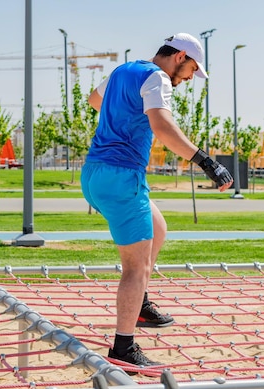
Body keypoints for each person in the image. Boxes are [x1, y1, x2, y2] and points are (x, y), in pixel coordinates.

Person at [81, 33, 233, 368]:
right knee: (135, 267)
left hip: (94, 174)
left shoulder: (123, 71)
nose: (191, 77)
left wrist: (124, 117)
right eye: (193, 69)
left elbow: (95, 99)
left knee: (157, 228)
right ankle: (123, 348)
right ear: (180, 57)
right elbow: (163, 127)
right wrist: (208, 162)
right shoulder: (158, 77)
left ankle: (142, 306)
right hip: (122, 177)